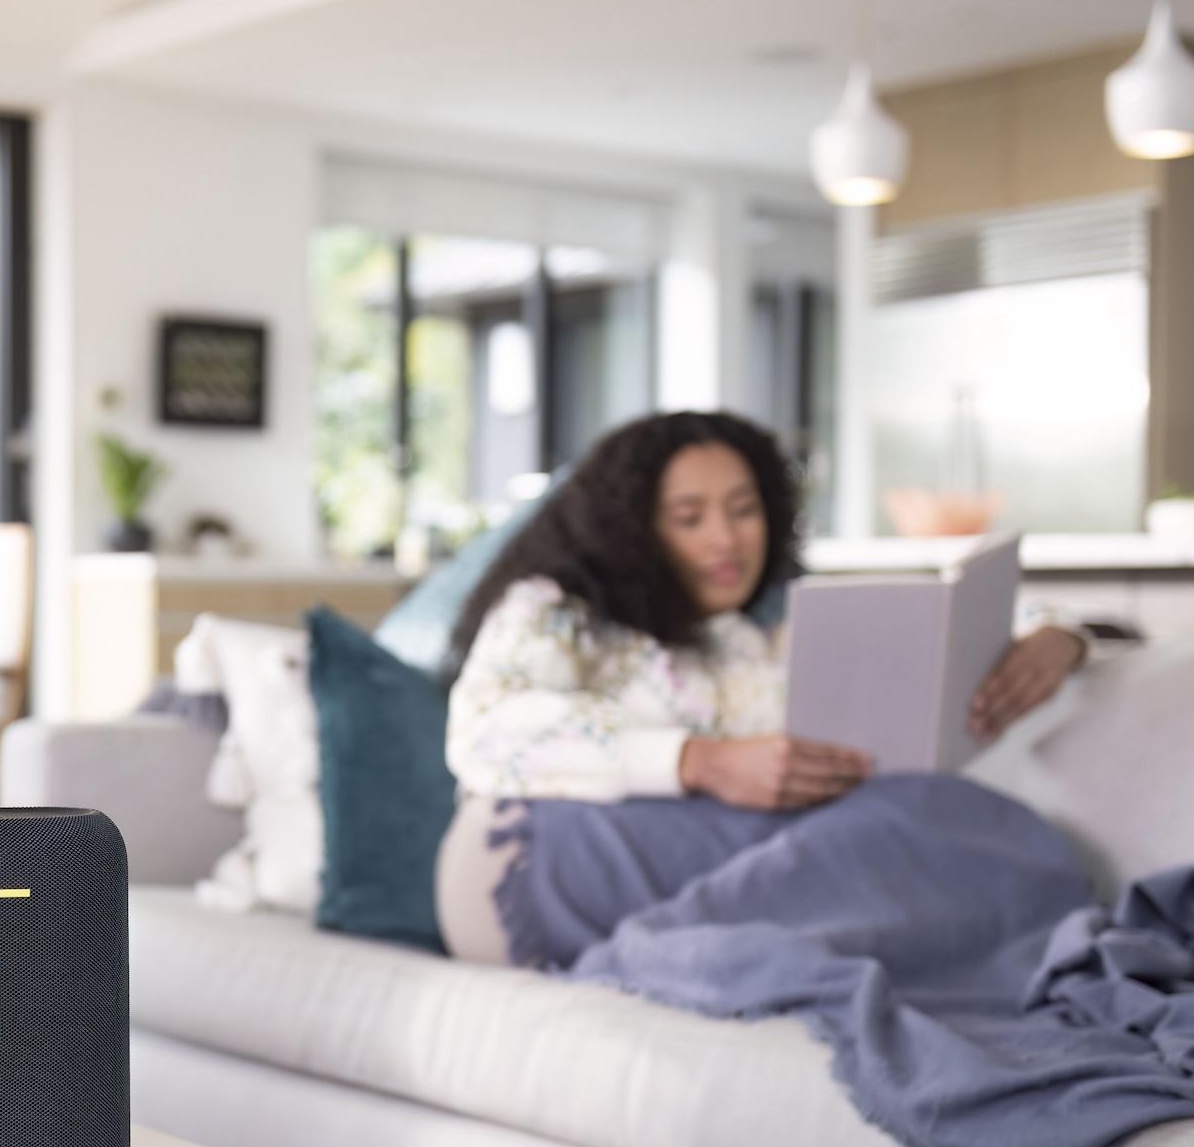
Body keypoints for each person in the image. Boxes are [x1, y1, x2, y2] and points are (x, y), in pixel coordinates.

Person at [435, 410, 1087, 963]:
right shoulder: (556, 612)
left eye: (744, 510)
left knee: (919, 812)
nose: (725, 539)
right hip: (526, 869)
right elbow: (484, 729)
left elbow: (932, 633)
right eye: (689, 517)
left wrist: (1060, 636)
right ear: (632, 529)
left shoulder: (753, 640)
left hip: (728, 870)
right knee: (905, 817)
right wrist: (702, 762)